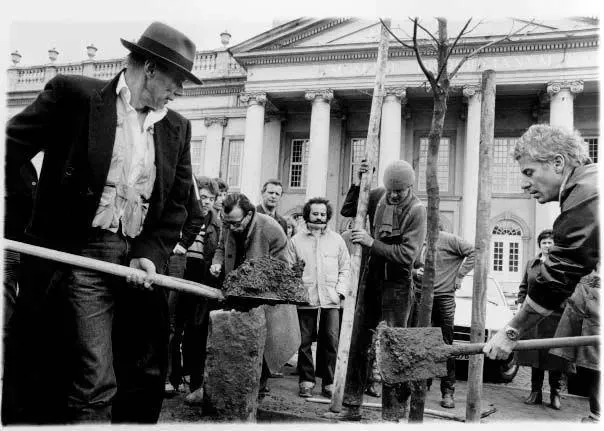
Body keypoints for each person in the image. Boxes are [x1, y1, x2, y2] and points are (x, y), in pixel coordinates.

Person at [3, 22, 200, 424]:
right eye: (176, 79)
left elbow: (177, 205)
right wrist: (30, 209)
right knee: (93, 378)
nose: (178, 90)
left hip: (137, 269)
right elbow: (11, 148)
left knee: (142, 371)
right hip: (81, 260)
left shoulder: (177, 127)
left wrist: (148, 254)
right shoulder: (74, 96)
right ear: (149, 68)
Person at [482, 124, 599, 423]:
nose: (524, 184)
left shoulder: (587, 194)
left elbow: (557, 278)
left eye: (530, 172)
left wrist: (511, 332)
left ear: (558, 163)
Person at [336, 159, 427, 421]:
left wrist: (371, 242)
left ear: (410, 186)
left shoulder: (416, 211)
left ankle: (392, 414)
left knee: (392, 346)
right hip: (371, 278)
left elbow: (407, 255)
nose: (395, 195)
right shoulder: (378, 195)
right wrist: (358, 182)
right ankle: (352, 404)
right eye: (391, 190)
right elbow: (348, 210)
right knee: (359, 342)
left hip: (397, 285)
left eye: (400, 191)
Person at [209, 192, 296, 396]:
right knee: (235, 340)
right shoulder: (229, 223)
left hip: (266, 296)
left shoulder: (271, 228)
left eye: (236, 223)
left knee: (266, 344)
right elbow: (222, 247)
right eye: (227, 222)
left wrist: (256, 280)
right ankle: (236, 387)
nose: (231, 227)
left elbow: (284, 267)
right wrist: (217, 262)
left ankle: (258, 388)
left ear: (249, 215)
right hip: (236, 293)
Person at [288, 197, 350, 399]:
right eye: (315, 213)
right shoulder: (296, 241)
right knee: (304, 342)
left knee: (331, 341)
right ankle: (306, 381)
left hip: (331, 299)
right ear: (307, 215)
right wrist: (298, 293)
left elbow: (345, 268)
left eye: (323, 214)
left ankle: (329, 382)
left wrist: (340, 292)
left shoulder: (337, 240)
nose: (319, 217)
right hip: (306, 300)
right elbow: (290, 270)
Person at [167, 177, 222, 406]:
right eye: (203, 196)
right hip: (179, 271)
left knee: (196, 329)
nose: (206, 201)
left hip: (201, 276)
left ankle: (195, 380)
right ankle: (170, 376)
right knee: (172, 327)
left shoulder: (216, 224)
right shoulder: (184, 218)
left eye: (211, 198)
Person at [412, 225, 475, 409]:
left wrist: (460, 275)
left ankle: (448, 391)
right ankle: (421, 386)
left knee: (446, 345)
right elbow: (408, 263)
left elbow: (475, 252)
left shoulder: (450, 239)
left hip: (444, 298)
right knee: (422, 343)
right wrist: (416, 272)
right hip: (421, 297)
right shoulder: (417, 240)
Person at [516, 228, 565, 409]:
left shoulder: (562, 265)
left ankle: (555, 393)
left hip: (555, 317)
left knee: (554, 355)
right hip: (535, 317)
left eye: (550, 242)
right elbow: (523, 287)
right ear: (540, 245)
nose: (547, 245)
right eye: (544, 242)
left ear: (555, 245)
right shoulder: (532, 263)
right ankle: (535, 392)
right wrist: (521, 304)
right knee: (535, 353)